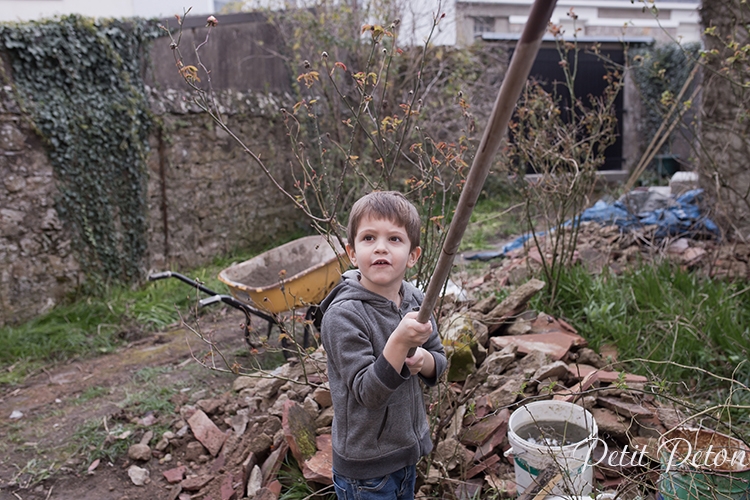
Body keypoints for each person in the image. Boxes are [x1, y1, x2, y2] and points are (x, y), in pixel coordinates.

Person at [320, 190, 448, 500]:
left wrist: (425, 362)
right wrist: (400, 341)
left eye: (394, 239)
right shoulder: (343, 315)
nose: (380, 247)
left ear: (413, 255)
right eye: (368, 238)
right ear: (352, 252)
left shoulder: (417, 301)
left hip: (406, 453)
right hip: (365, 469)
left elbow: (439, 360)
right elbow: (368, 393)